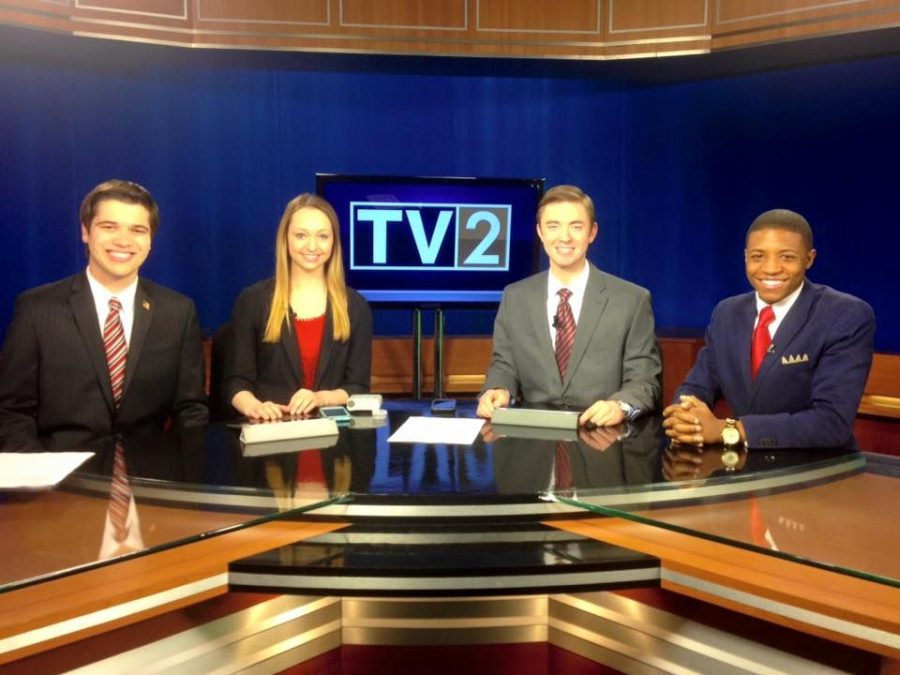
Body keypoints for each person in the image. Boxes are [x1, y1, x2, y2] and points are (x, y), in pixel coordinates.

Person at [0, 179, 208, 450]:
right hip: (61, 481)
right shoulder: (37, 309)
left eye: (138, 230)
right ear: (86, 231)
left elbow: (190, 410)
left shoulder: (178, 311)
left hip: (149, 480)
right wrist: (40, 479)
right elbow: (11, 411)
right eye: (109, 227)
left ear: (150, 241)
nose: (124, 241)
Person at [663, 208, 875, 449]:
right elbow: (697, 386)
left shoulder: (845, 315)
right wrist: (685, 415)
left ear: (809, 258)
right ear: (745, 258)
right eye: (758, 256)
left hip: (816, 469)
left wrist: (730, 430)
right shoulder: (726, 313)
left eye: (786, 257)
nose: (771, 268)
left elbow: (832, 423)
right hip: (743, 468)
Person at [476, 184, 661, 426]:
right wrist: (498, 389)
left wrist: (619, 406)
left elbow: (645, 381)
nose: (564, 237)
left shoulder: (631, 300)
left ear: (592, 233)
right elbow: (504, 365)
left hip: (603, 440)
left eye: (576, 226)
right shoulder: (515, 297)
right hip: (535, 441)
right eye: (553, 226)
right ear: (540, 232)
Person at [224, 193, 372, 421]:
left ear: (334, 242)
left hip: (333, 438)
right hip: (271, 434)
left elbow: (358, 386)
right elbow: (236, 382)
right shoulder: (252, 301)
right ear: (286, 239)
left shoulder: (355, 306)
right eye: (301, 235)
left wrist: (320, 398)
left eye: (322, 236)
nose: (312, 246)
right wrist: (254, 406)